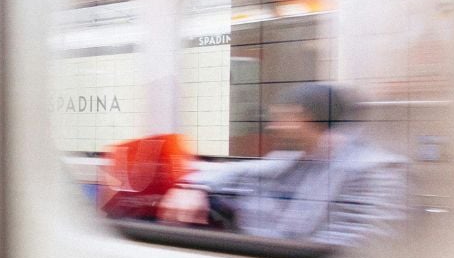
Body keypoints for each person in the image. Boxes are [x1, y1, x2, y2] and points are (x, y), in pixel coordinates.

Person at [159, 82, 407, 247]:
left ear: (303, 116)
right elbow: (227, 172)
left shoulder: (379, 171)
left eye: (279, 117)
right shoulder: (289, 160)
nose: (272, 127)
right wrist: (190, 186)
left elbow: (364, 248)